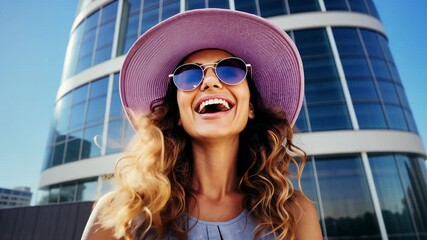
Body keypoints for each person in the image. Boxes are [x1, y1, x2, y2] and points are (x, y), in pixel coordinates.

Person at [81, 8, 322, 240]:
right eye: (188, 76)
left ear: (250, 108)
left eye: (230, 70)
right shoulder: (122, 214)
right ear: (177, 114)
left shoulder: (294, 213)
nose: (209, 81)